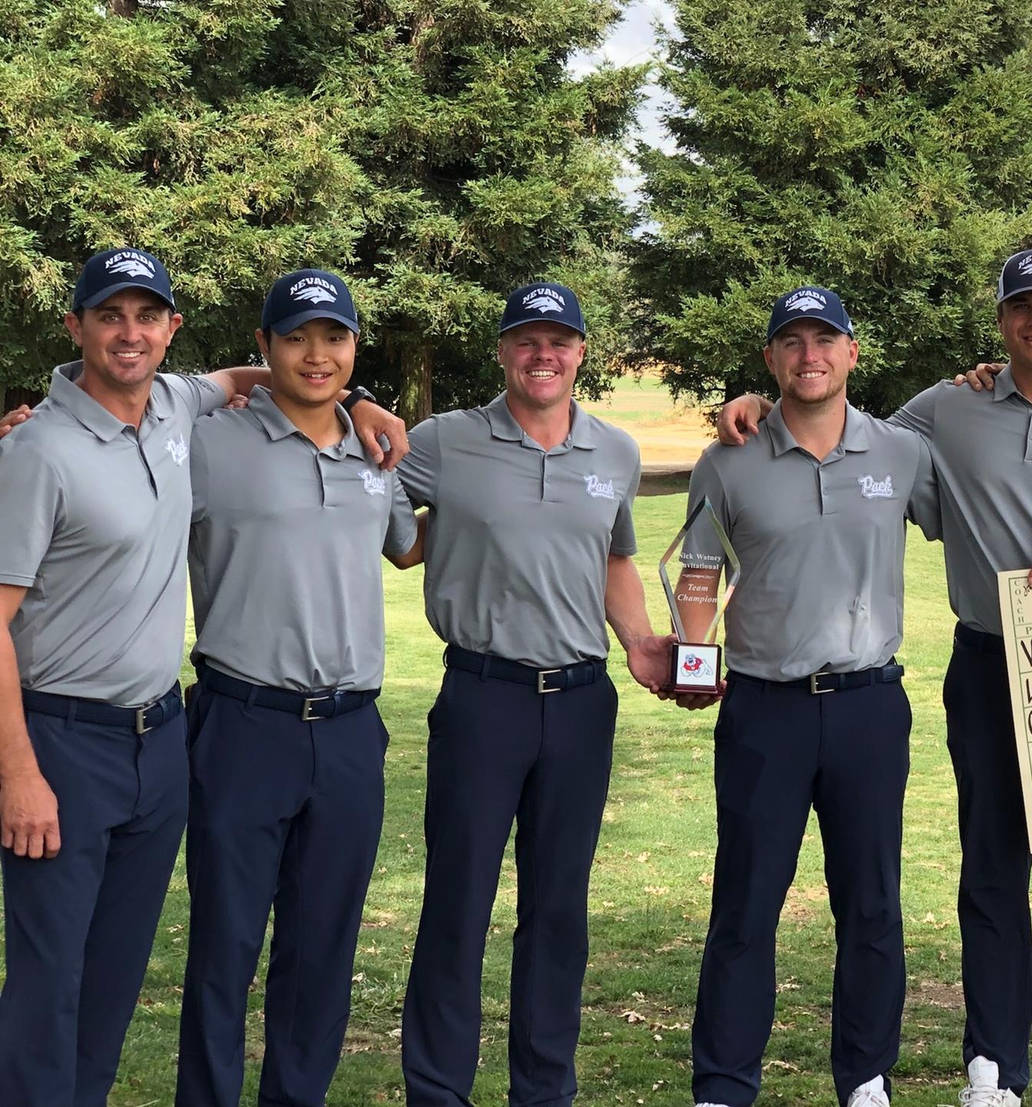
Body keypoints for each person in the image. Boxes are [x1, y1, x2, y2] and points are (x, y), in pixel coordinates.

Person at [717, 248, 1032, 1107]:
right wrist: (754, 406)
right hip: (987, 660)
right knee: (993, 869)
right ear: (1002, 319)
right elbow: (837, 428)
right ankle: (993, 1069)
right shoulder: (948, 407)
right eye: (1021, 306)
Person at [0, 247, 405, 1104]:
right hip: (103, 733)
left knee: (122, 973)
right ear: (75, 326)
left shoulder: (178, 412)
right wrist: (17, 771)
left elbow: (241, 376)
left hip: (187, 738)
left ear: (171, 329)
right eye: (109, 314)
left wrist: (362, 400)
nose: (130, 332)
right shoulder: (64, 447)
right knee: (76, 979)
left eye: (147, 315)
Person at [398, 281, 676, 1107]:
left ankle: (543, 1090)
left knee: (557, 911)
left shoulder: (614, 452)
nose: (542, 354)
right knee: (459, 901)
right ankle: (439, 1089)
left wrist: (641, 643)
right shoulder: (443, 441)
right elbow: (367, 489)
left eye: (559, 340)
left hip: (583, 703)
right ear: (502, 351)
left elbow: (615, 560)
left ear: (582, 352)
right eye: (526, 339)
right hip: (483, 696)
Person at [675, 286, 938, 1107]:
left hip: (868, 706)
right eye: (792, 341)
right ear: (771, 360)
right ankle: (724, 1082)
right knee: (746, 903)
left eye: (826, 338)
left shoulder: (901, 454)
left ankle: (864, 1077)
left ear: (853, 353)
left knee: (872, 904)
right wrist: (692, 654)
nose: (810, 353)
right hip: (764, 708)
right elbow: (699, 572)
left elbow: (974, 519)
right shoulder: (728, 459)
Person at [174, 269, 425, 1106]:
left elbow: (405, 545)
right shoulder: (212, 444)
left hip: (351, 732)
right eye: (295, 336)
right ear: (265, 346)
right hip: (244, 722)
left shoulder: (374, 450)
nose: (316, 354)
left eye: (333, 337)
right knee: (224, 948)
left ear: (355, 347)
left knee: (322, 950)